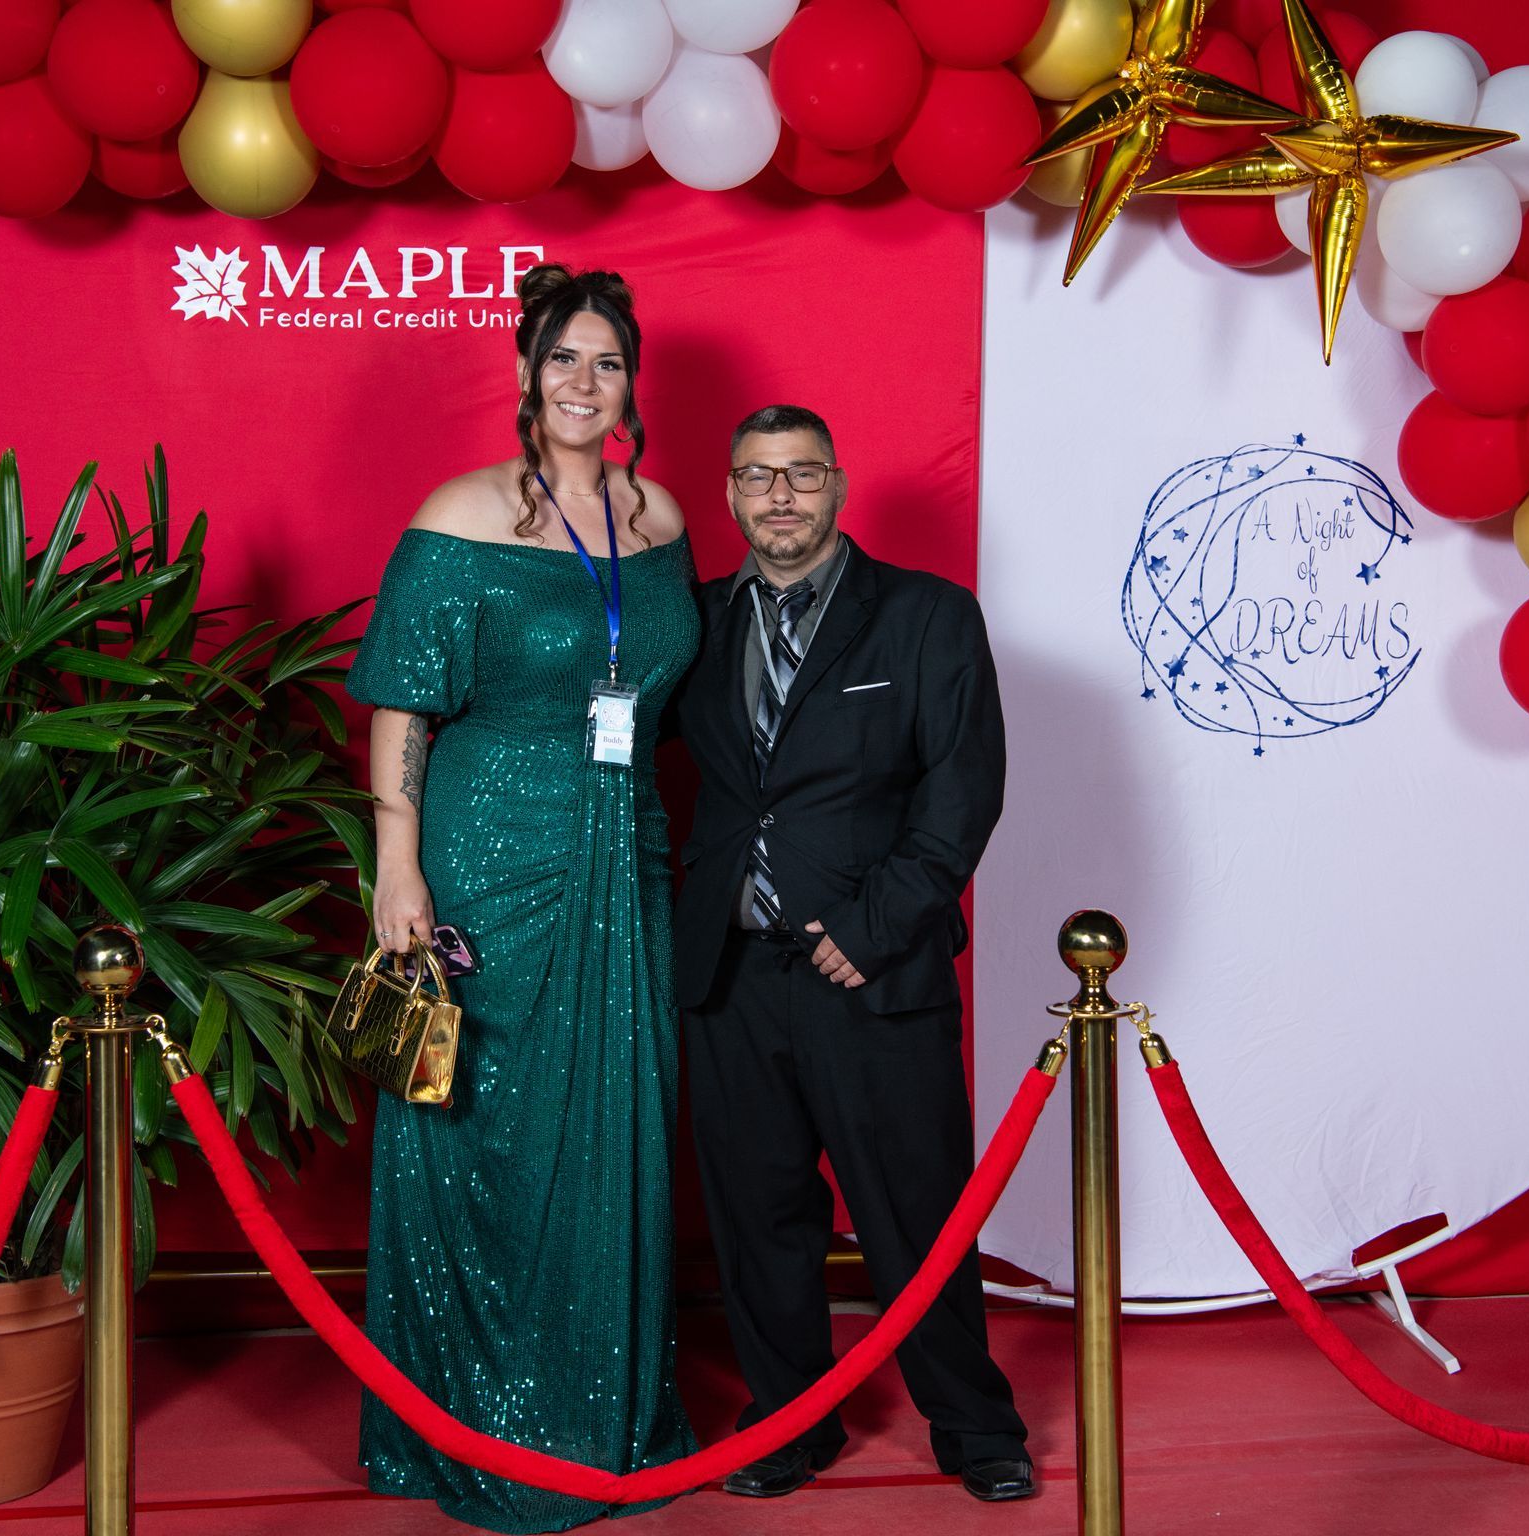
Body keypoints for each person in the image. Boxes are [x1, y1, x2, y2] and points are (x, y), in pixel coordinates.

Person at [343, 265, 699, 1532]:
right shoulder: (463, 513)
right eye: (563, 360)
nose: (585, 383)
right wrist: (398, 863)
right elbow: (403, 702)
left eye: (607, 362)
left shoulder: (658, 520)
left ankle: (599, 1411)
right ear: (523, 375)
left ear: (631, 382)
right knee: (482, 1118)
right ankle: (469, 1418)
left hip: (626, 846)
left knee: (613, 1111)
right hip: (489, 848)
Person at [672, 404, 1032, 1502]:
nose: (779, 495)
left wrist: (874, 928)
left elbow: (963, 791)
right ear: (731, 494)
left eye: (800, 474)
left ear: (836, 484)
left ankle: (975, 1427)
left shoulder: (927, 616)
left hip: (871, 976)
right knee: (759, 1219)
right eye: (756, 476)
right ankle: (791, 1424)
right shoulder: (694, 623)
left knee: (915, 1214)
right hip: (728, 976)